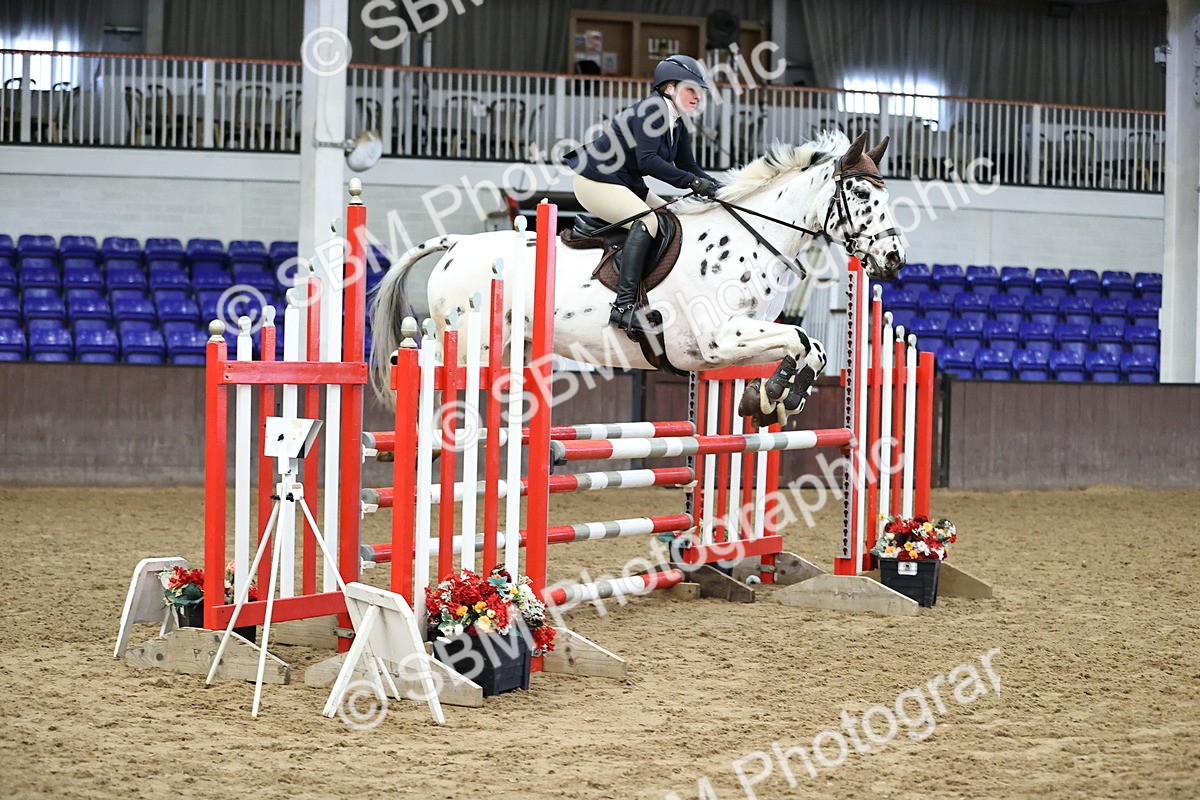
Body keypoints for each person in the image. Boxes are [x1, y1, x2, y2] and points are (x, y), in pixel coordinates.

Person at [566, 54, 721, 333]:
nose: (697, 97)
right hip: (595, 179)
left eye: (699, 92)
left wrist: (719, 188)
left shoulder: (676, 121)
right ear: (670, 88)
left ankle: (646, 292)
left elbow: (688, 166)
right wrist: (693, 183)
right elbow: (647, 161)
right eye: (691, 89)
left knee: (670, 219)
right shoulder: (652, 110)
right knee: (648, 222)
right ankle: (623, 307)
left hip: (624, 182)